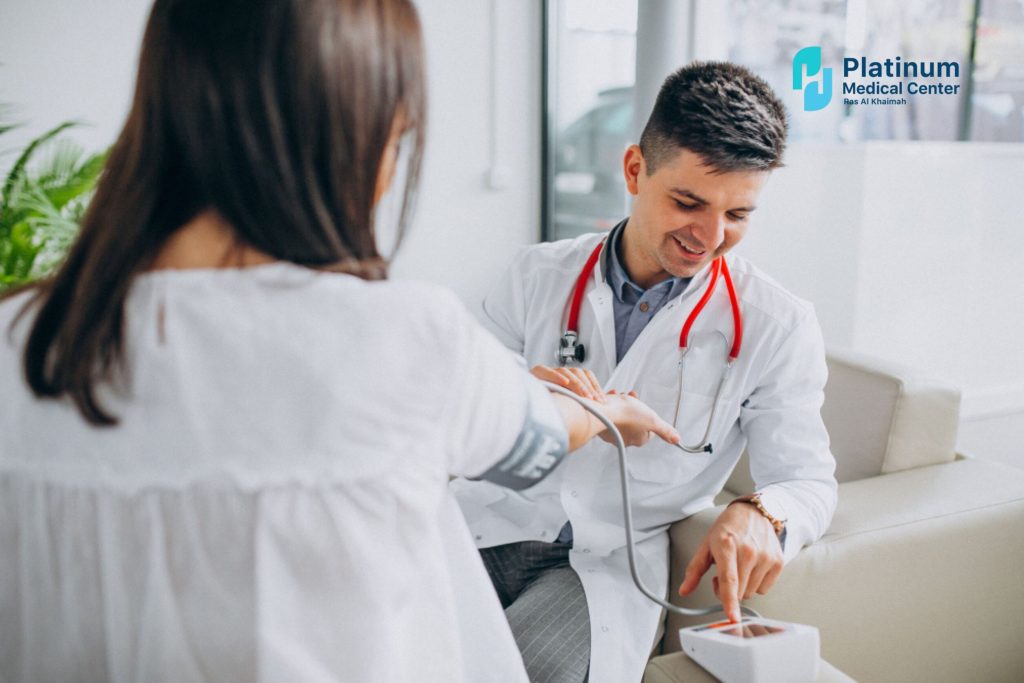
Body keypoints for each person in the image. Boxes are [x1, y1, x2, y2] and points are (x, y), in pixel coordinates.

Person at [0, 1, 681, 681]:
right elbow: (535, 440)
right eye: (397, 138)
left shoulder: (19, 339)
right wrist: (610, 411)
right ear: (355, 137)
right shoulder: (400, 336)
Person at [450, 62, 839, 683]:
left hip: (599, 563)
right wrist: (540, 404)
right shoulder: (536, 275)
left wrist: (764, 511)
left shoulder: (777, 324)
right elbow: (460, 414)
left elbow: (809, 481)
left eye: (738, 215)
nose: (710, 236)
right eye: (688, 202)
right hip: (482, 525)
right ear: (635, 170)